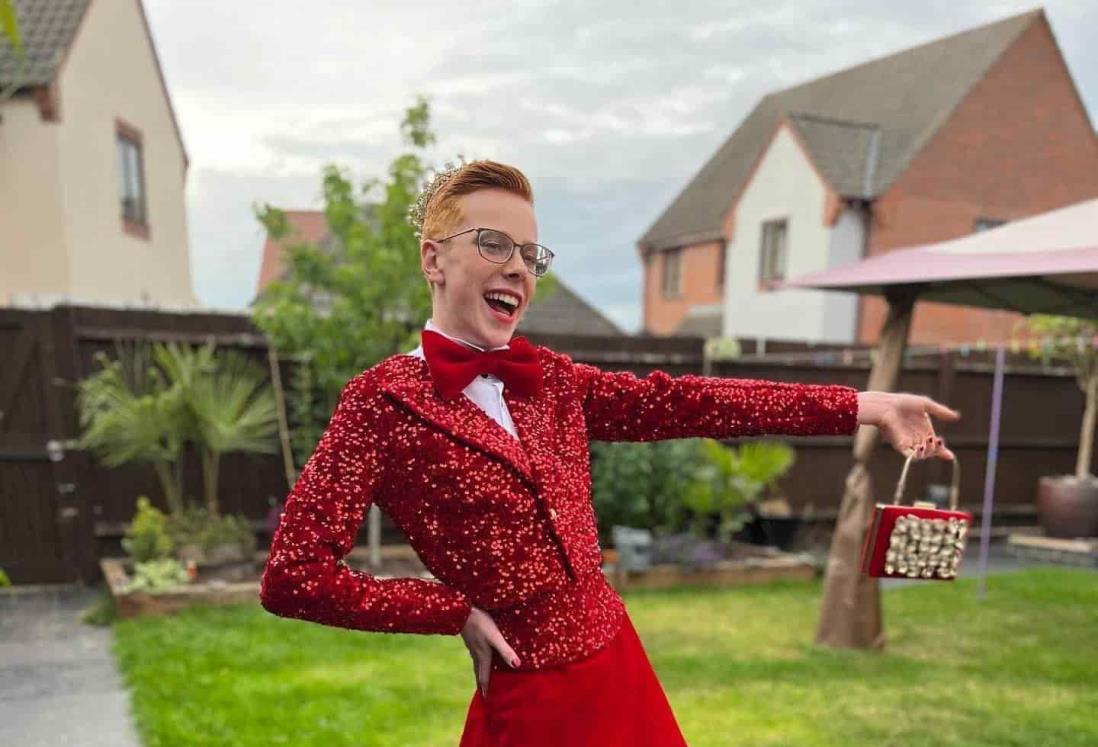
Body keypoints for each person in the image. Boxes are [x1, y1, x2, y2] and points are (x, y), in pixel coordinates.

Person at [259, 160, 958, 745]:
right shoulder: (380, 404)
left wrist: (867, 405)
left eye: (530, 255)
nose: (519, 269)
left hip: (619, 668)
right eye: (494, 244)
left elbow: (696, 403)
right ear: (433, 258)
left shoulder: (553, 382)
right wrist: (448, 610)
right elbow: (293, 575)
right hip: (532, 698)